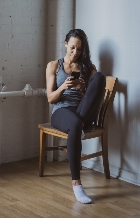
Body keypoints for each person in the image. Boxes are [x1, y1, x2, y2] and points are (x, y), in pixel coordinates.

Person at [46, 29, 106, 204]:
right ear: (65, 44)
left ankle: (76, 129)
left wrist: (83, 89)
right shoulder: (54, 66)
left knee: (100, 77)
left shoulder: (88, 67)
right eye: (72, 48)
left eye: (79, 49)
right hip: (61, 112)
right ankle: (77, 184)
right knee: (74, 124)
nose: (75, 53)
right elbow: (50, 98)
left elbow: (94, 96)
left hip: (83, 112)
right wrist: (63, 86)